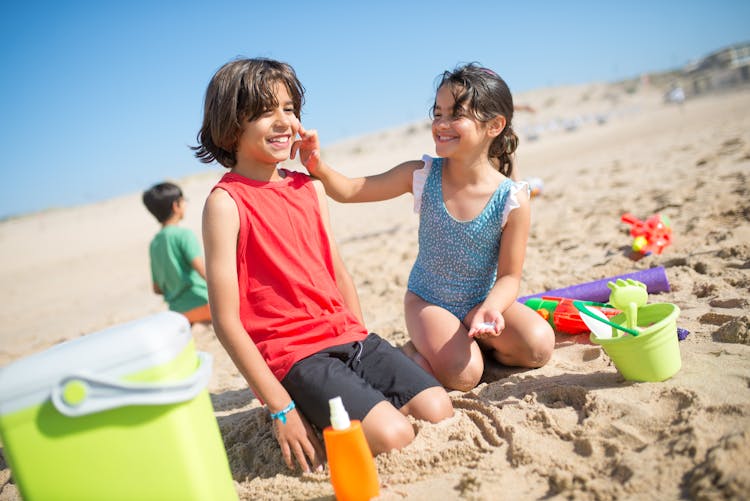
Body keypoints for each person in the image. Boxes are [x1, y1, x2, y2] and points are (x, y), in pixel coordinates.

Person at [195, 57, 453, 473]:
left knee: (438, 407)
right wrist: (280, 408)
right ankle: (319, 406)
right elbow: (226, 322)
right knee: (395, 435)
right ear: (230, 124)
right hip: (294, 356)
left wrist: (363, 341)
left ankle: (359, 395)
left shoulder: (309, 189)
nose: (283, 122)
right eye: (264, 112)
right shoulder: (225, 203)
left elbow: (337, 272)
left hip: (348, 337)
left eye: (289, 109)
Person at [295, 63, 555, 392]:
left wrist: (489, 309)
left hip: (481, 300)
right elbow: (349, 190)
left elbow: (509, 277)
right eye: (437, 113)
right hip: (428, 303)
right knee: (465, 376)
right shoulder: (422, 174)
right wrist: (317, 163)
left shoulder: (512, 198)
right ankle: (415, 353)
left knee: (539, 346)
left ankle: (464, 341)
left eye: (455, 115)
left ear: (494, 126)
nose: (441, 124)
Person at [142, 182, 211, 325]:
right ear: (176, 205)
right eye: (183, 201)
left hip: (177, 313)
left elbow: (157, 288)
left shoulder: (154, 243)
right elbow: (204, 273)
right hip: (201, 304)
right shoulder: (184, 235)